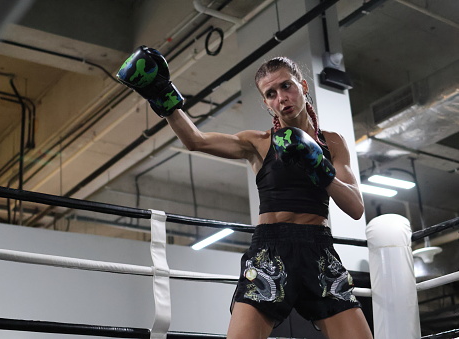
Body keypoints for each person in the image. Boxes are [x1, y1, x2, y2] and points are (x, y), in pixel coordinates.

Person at [116, 46, 373, 339]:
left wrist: (318, 166)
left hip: (319, 253)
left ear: (302, 86)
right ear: (266, 103)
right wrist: (163, 95)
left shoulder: (332, 143)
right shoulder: (259, 143)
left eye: (286, 86)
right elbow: (196, 141)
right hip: (270, 252)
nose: (281, 98)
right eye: (271, 93)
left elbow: (355, 208)